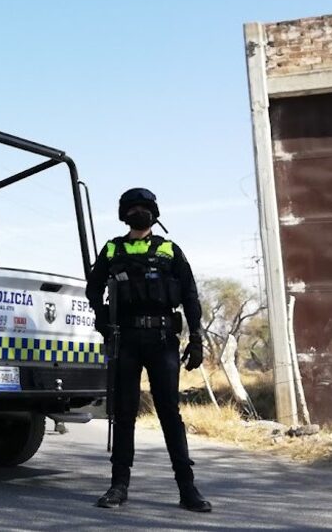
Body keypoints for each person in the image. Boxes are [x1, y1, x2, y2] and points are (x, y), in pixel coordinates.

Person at [86, 188, 212, 513]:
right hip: (125, 340)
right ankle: (118, 486)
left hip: (162, 341)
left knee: (170, 413)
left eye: (144, 208)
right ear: (123, 213)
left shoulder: (170, 250)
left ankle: (188, 489)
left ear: (154, 213)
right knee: (125, 412)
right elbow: (93, 287)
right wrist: (103, 323)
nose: (138, 212)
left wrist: (196, 338)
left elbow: (190, 296)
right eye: (132, 208)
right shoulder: (112, 249)